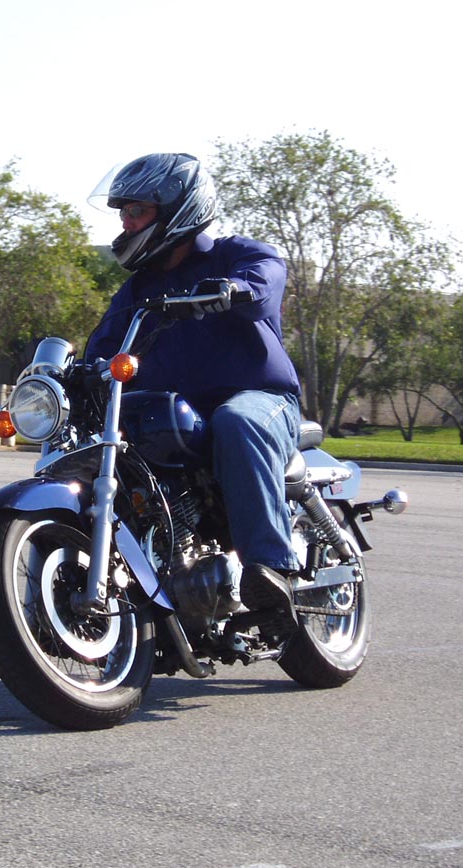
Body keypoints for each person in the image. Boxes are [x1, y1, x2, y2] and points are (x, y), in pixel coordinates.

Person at [84, 152, 305, 626]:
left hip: (260, 401)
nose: (126, 222)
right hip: (181, 414)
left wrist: (233, 290)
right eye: (123, 212)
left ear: (177, 209)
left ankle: (271, 570)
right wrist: (74, 373)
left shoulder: (237, 255)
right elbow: (102, 348)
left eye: (137, 210)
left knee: (236, 421)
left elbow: (265, 282)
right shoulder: (138, 290)